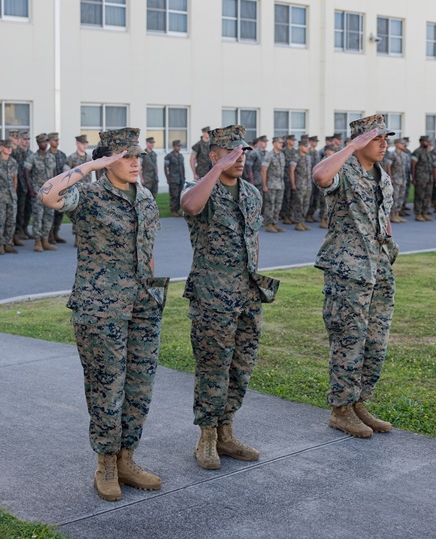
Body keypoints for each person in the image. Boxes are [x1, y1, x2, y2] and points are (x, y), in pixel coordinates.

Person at [38, 127, 166, 502]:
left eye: (137, 156)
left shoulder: (145, 197)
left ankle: (128, 457)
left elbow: (149, 249)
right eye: (126, 157)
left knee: (139, 387)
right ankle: (106, 463)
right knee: (106, 388)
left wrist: (154, 295)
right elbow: (48, 194)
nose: (134, 163)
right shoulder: (89, 196)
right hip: (101, 307)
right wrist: (91, 165)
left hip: (142, 307)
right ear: (109, 160)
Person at [182, 124, 279, 470]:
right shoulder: (199, 189)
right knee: (213, 367)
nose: (240, 158)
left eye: (244, 152)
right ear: (214, 155)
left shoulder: (251, 193)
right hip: (213, 295)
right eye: (232, 152)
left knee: (241, 367)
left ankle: (226, 431)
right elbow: (191, 207)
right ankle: (206, 437)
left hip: (247, 295)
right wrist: (216, 171)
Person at [312, 115, 397, 438]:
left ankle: (359, 402)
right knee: (349, 340)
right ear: (361, 142)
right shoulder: (343, 172)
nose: (384, 144)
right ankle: (341, 409)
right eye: (378, 140)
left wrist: (388, 249)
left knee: (375, 341)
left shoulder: (382, 177)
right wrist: (350, 147)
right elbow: (320, 175)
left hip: (378, 269)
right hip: (348, 271)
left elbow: (383, 218)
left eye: (386, 138)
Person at [24, 133, 56, 252]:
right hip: (38, 192)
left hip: (50, 192)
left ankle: (45, 240)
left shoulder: (51, 157)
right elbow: (26, 173)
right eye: (42, 142)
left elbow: (54, 174)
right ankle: (37, 242)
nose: (45, 144)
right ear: (38, 143)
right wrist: (31, 190)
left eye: (46, 141)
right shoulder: (32, 157)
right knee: (38, 216)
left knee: (49, 216)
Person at [260, 136, 285, 233]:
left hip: (280, 185)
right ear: (274, 143)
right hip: (271, 185)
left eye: (282, 143)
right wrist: (264, 185)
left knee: (278, 205)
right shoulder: (269, 155)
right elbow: (263, 171)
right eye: (279, 142)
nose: (281, 144)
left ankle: (275, 223)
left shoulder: (282, 155)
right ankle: (269, 224)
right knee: (270, 205)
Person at [47, 132, 68, 244]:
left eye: (57, 140)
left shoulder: (62, 155)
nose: (57, 142)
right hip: (51, 187)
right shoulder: (46, 155)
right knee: (50, 212)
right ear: (50, 141)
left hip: (61, 187)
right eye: (54, 140)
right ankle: (49, 235)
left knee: (60, 211)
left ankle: (56, 233)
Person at [290, 137, 313, 232]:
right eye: (305, 146)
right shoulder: (296, 156)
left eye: (307, 146)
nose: (307, 148)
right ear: (300, 147)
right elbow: (291, 171)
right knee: (298, 203)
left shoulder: (308, 157)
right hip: (299, 184)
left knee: (306, 203)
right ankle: (298, 223)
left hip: (307, 184)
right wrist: (293, 184)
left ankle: (302, 221)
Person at [411, 136, 434, 222]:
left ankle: (424, 212)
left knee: (427, 196)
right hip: (420, 178)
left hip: (428, 178)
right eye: (426, 141)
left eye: (428, 141)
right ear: (421, 142)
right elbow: (413, 165)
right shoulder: (417, 152)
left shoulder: (428, 152)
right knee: (419, 196)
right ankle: (418, 214)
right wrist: (413, 178)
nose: (428, 143)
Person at [164, 139, 186, 216]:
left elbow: (183, 167)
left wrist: (184, 177)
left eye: (180, 146)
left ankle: (177, 210)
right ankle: (173, 210)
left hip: (181, 179)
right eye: (177, 146)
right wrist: (168, 178)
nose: (179, 147)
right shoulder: (169, 156)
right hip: (173, 179)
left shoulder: (181, 156)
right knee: (174, 195)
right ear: (173, 146)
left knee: (180, 195)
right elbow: (165, 167)